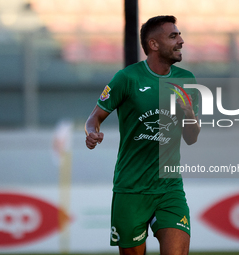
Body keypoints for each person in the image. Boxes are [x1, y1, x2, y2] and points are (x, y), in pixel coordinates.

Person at [85, 15, 200, 255]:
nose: (181, 41)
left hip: (169, 189)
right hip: (131, 190)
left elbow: (192, 136)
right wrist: (92, 133)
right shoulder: (127, 78)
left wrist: (188, 112)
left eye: (179, 35)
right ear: (153, 45)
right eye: (173, 36)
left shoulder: (186, 80)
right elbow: (94, 117)